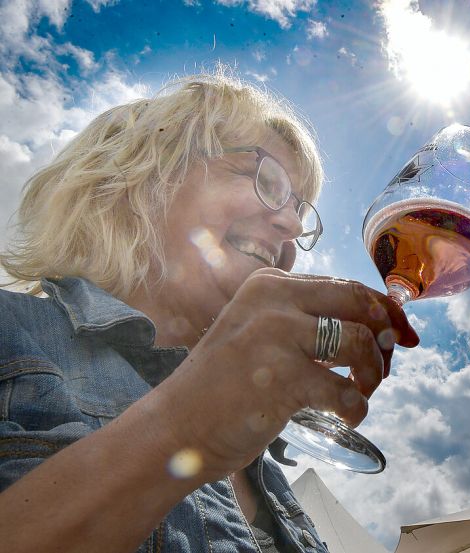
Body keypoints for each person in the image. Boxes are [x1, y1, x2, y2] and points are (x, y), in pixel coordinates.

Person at [0, 69, 419, 552]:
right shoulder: (12, 332)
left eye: (300, 215)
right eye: (264, 179)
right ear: (143, 175)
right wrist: (184, 430)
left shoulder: (269, 468)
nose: (288, 225)